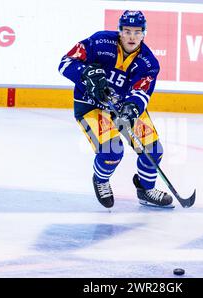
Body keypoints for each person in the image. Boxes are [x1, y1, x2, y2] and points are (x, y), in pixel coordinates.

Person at [59, 10, 173, 209]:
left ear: (144, 33)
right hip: (91, 106)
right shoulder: (100, 42)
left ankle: (146, 190)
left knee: (153, 150)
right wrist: (85, 73)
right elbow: (65, 63)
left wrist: (132, 108)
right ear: (119, 30)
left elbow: (141, 93)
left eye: (137, 32)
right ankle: (101, 180)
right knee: (112, 151)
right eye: (127, 31)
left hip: (122, 108)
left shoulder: (148, 63)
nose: (132, 36)